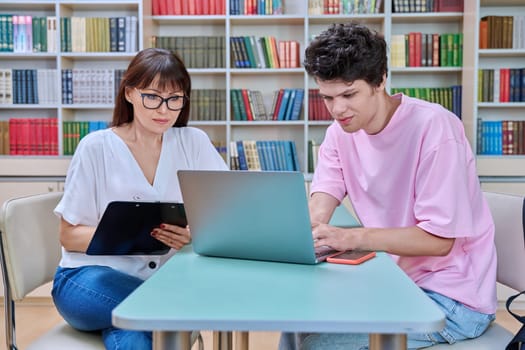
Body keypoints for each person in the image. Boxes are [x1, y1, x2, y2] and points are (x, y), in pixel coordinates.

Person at [279, 23, 497, 350]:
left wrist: (351, 237)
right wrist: (291, 234)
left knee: (319, 343)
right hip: (394, 283)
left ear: (380, 80)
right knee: (295, 322)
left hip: (451, 300)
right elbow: (319, 208)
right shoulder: (339, 135)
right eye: (328, 97)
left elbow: (439, 241)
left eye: (349, 94)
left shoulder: (434, 128)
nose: (337, 110)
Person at [52, 48, 228, 349]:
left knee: (136, 334)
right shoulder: (95, 147)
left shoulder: (193, 143)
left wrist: (192, 233)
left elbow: (229, 211)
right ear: (130, 93)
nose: (164, 110)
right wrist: (134, 236)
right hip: (87, 281)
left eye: (175, 99)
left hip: (159, 284)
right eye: (153, 97)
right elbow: (68, 236)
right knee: (162, 312)